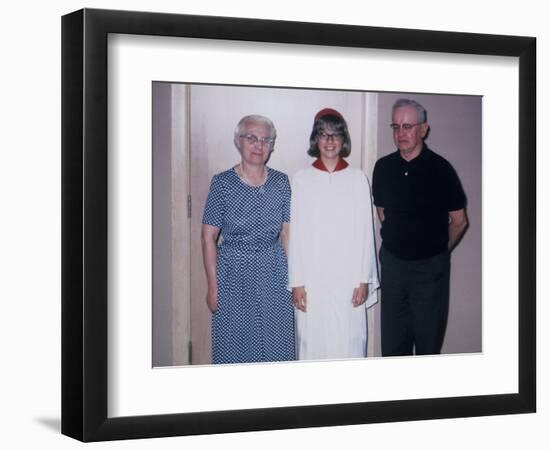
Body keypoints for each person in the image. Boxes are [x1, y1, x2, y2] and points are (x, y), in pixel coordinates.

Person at [372, 98, 468, 357]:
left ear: (423, 129)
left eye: (408, 126)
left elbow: (459, 221)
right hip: (393, 267)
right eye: (395, 126)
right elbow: (383, 214)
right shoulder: (383, 168)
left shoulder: (442, 169)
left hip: (429, 271)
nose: (400, 133)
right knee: (392, 347)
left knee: (427, 347)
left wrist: (438, 250)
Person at [201, 114, 295, 364]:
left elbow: (286, 234)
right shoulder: (221, 183)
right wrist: (212, 286)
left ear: (272, 146)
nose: (259, 145)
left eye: (266, 140)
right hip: (232, 272)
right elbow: (208, 236)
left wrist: (296, 280)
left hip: (273, 271)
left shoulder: (281, 182)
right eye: (251, 138)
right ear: (237, 141)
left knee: (276, 342)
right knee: (234, 343)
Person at [288, 108, 379, 360]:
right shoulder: (302, 179)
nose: (329, 141)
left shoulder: (357, 179)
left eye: (335, 135)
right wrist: (296, 282)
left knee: (349, 343)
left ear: (344, 139)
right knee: (313, 343)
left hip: (347, 278)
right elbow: (297, 234)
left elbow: (365, 233)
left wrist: (363, 279)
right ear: (315, 139)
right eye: (323, 134)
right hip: (313, 279)